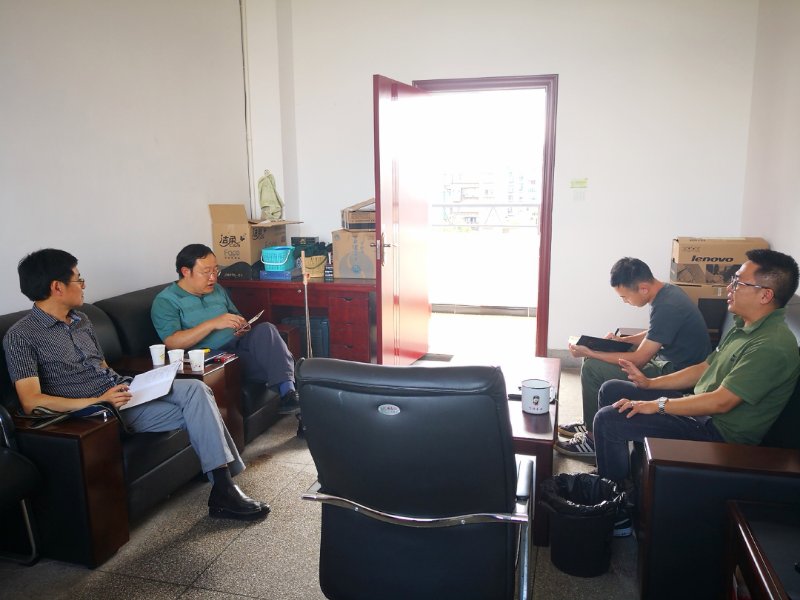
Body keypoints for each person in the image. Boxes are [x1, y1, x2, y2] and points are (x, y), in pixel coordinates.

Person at [3, 249, 269, 521]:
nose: (83, 285)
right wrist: (98, 401)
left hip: (125, 390)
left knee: (197, 389)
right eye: (78, 279)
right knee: (200, 408)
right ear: (57, 287)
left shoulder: (82, 320)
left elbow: (102, 366)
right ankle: (224, 490)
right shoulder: (21, 336)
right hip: (99, 413)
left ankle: (223, 489)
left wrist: (137, 384)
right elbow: (31, 401)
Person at [594, 249, 800, 535]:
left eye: (738, 282)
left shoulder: (771, 346)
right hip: (699, 411)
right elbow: (705, 367)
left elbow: (721, 402)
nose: (729, 288)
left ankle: (616, 514)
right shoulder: (744, 326)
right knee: (612, 389)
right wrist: (651, 385)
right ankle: (617, 479)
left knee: (609, 420)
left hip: (718, 434)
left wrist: (657, 404)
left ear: (765, 295)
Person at [555, 257, 711, 458]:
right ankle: (590, 422)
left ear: (643, 288)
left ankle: (593, 440)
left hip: (676, 374)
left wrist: (590, 352)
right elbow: (655, 332)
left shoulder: (668, 305)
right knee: (595, 358)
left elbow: (638, 360)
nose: (625, 301)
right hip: (666, 361)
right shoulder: (667, 292)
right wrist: (622, 341)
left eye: (625, 297)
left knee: (593, 366)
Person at [151, 244, 300, 417]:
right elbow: (172, 342)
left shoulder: (217, 290)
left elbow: (236, 316)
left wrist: (241, 325)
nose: (213, 277)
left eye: (215, 270)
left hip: (239, 342)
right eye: (206, 272)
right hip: (213, 357)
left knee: (267, 329)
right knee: (284, 363)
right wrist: (212, 324)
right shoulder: (166, 301)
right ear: (185, 271)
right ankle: (291, 390)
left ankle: (289, 393)